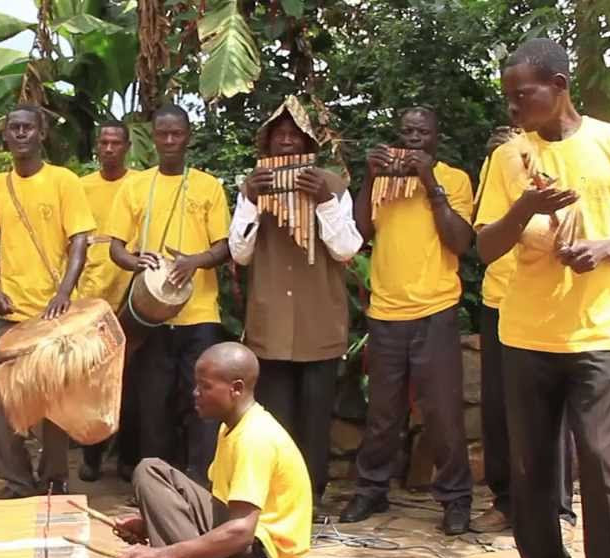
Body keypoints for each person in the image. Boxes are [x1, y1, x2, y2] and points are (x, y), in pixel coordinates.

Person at [476, 37, 610, 558]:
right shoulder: (509, 159)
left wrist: (602, 250)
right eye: (509, 96)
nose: (515, 106)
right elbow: (485, 247)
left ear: (558, 83)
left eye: (522, 93)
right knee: (531, 465)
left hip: (594, 333)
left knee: (602, 464)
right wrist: (526, 204)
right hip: (524, 332)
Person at [341, 107, 475, 534]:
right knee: (383, 412)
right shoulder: (383, 182)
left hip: (435, 309)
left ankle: (456, 499)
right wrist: (368, 177)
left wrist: (430, 181)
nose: (413, 138)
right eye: (407, 131)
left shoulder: (454, 179)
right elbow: (357, 234)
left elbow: (460, 241)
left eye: (423, 132)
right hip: (385, 312)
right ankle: (371, 491)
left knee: (443, 414)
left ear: (436, 137)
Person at [228, 96, 363, 505]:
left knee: (315, 419)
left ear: (307, 143)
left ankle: (312, 496)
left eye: (294, 135)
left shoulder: (332, 186)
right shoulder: (254, 186)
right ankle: (276, 499)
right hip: (271, 326)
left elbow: (346, 249)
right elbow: (239, 253)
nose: (286, 142)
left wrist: (322, 202)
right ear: (267, 146)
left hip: (318, 322)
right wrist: (251, 201)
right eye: (278, 135)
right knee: (275, 419)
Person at [115, 342, 312, 558]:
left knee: (149, 471)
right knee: (153, 471)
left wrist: (162, 556)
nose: (195, 393)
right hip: (248, 545)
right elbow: (218, 504)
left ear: (236, 388)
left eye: (205, 386)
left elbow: (240, 531)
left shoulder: (254, 438)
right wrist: (153, 521)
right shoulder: (231, 425)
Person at [105, 104, 232, 484]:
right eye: (163, 134)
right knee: (152, 403)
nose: (170, 141)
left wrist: (195, 261)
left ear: (188, 136)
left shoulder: (208, 186)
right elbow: (115, 247)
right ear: (154, 138)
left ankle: (201, 482)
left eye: (177, 134)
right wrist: (135, 262)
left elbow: (224, 247)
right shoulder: (136, 185)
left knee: (204, 402)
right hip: (150, 316)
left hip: (199, 315)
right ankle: (154, 486)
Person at [0, 104, 93, 498]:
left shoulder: (64, 181)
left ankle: (54, 477)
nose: (21, 134)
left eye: (28, 128)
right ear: (6, 137)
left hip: (51, 314)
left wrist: (64, 292)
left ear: (41, 134)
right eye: (15, 128)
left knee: (53, 399)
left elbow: (79, 240)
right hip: (8, 311)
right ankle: (17, 480)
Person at [470, 126, 576, 536]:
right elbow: (484, 231)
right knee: (498, 410)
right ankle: (505, 503)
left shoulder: (566, 155)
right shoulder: (499, 161)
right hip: (499, 300)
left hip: (549, 302)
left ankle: (559, 508)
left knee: (552, 410)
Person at [76, 120, 136, 484]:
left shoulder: (140, 184)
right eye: (104, 142)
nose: (109, 148)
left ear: (128, 146)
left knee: (130, 383)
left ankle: (127, 458)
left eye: (117, 142)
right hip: (90, 296)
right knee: (92, 383)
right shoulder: (81, 187)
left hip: (130, 294)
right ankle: (91, 456)